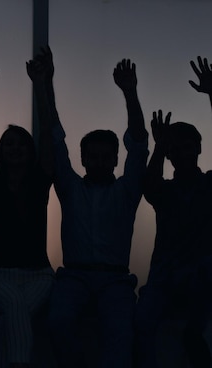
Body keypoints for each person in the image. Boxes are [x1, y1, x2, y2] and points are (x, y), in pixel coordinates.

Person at [35, 47, 149, 368]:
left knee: (120, 333)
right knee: (57, 323)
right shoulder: (70, 188)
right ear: (83, 159)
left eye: (106, 156)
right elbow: (55, 136)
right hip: (73, 278)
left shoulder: (126, 192)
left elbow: (139, 145)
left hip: (115, 281)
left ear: (115, 159)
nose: (99, 161)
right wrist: (47, 83)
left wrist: (130, 92)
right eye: (92, 156)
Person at [0, 53, 54, 368]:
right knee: (16, 305)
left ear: (29, 151)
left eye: (21, 143)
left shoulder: (40, 182)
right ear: (1, 152)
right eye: (8, 144)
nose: (15, 148)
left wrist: (41, 86)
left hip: (40, 277)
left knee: (16, 309)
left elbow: (47, 133)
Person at [134, 56, 212, 368]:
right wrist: (159, 146)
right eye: (176, 148)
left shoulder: (208, 186)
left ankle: (194, 335)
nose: (183, 152)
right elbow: (149, 186)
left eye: (188, 146)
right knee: (142, 323)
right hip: (164, 281)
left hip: (199, 279)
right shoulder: (165, 191)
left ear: (199, 149)